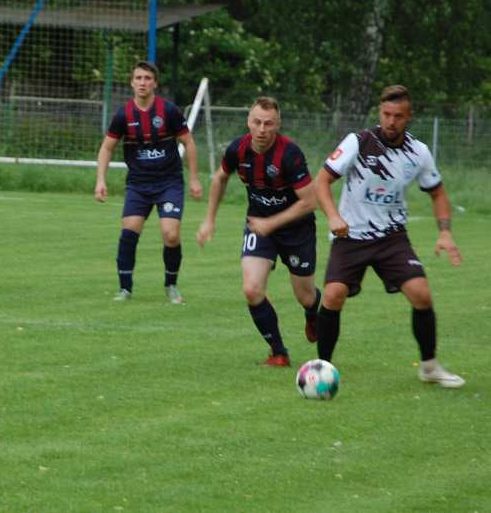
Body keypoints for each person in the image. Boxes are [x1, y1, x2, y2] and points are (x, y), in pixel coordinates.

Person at [314, 84, 464, 388]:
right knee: (333, 295)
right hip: (351, 235)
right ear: (379, 112)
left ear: (408, 117)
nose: (391, 121)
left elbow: (437, 192)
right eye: (386, 114)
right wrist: (333, 215)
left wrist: (445, 233)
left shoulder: (418, 152)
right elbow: (322, 181)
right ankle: (322, 367)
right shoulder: (358, 142)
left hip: (391, 237)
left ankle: (429, 366)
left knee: (421, 293)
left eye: (398, 116)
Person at [197, 97, 320, 367]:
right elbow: (219, 178)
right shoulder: (237, 150)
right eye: (257, 122)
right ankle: (278, 353)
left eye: (269, 123)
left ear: (278, 124)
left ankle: (313, 312)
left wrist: (273, 223)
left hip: (297, 230)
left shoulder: (290, 154)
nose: (262, 129)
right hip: (259, 225)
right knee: (252, 289)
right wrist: (209, 220)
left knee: (306, 295)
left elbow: (310, 202)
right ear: (248, 122)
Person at [95, 61, 203, 303]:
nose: (142, 82)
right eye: (138, 78)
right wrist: (100, 180)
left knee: (171, 235)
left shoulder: (169, 111)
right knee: (129, 231)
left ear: (155, 83)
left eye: (147, 78)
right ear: (132, 83)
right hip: (138, 184)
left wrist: (194, 178)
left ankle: (171, 285)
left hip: (169, 183)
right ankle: (125, 289)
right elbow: (106, 148)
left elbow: (189, 143)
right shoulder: (124, 114)